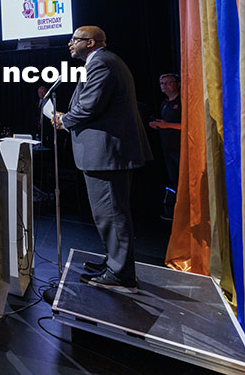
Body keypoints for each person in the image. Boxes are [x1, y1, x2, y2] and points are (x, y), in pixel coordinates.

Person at [53, 26, 152, 293]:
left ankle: (121, 275)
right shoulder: (101, 62)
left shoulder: (102, 63)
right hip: (106, 154)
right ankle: (114, 264)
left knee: (112, 214)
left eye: (75, 39)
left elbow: (90, 106)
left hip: (108, 154)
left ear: (91, 42)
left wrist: (63, 120)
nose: (70, 43)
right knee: (108, 214)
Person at [149, 73, 181, 220]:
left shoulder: (182, 102)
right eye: (162, 83)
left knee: (182, 179)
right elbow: (166, 124)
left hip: (181, 148)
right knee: (174, 179)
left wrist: (167, 125)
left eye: (168, 82)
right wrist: (158, 125)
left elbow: (189, 125)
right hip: (168, 148)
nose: (165, 86)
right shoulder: (165, 104)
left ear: (177, 84)